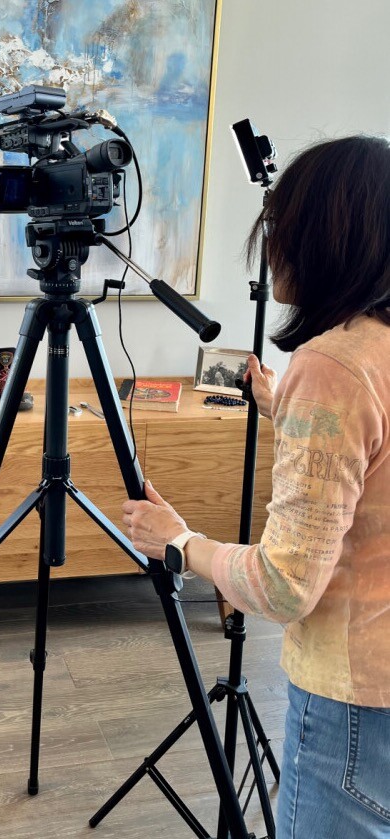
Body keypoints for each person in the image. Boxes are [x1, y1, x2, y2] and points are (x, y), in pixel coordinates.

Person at [122, 136, 390, 838]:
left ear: (324, 238)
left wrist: (181, 542)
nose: (270, 247)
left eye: (281, 229)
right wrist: (286, 410)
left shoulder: (332, 365)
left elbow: (284, 584)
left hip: (355, 699)